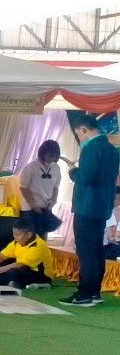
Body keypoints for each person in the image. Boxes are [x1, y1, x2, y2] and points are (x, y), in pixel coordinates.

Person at [62, 114, 120, 306]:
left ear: (84, 130)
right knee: (97, 250)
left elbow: (85, 177)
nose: (80, 138)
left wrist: (72, 170)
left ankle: (85, 293)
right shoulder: (111, 149)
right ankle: (94, 292)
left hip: (87, 206)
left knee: (86, 251)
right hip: (102, 206)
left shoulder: (90, 148)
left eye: (79, 134)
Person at [0, 218, 53, 289]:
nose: (14, 237)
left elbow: (19, 265)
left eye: (18, 235)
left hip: (41, 275)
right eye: (14, 234)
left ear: (29, 235)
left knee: (15, 272)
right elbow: (0, 256)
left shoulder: (38, 245)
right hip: (21, 270)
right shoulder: (16, 243)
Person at [19, 140, 62, 238]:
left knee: (43, 235)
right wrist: (34, 205)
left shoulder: (56, 168)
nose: (52, 159)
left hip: (46, 206)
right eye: (49, 156)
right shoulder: (31, 167)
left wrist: (53, 201)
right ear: (42, 153)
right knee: (29, 236)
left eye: (55, 156)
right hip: (29, 208)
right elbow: (23, 188)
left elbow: (56, 186)